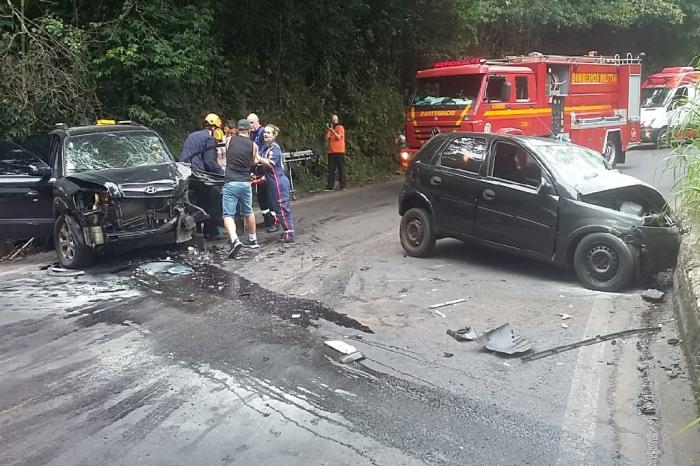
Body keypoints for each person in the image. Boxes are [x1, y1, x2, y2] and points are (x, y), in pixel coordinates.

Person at [222, 119, 262, 257]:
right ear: (249, 131)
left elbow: (228, 155)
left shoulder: (229, 140)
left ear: (238, 129)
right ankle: (253, 239)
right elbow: (253, 161)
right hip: (245, 183)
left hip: (231, 182)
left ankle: (234, 239)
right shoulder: (253, 145)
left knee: (228, 214)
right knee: (248, 211)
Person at [258, 124, 295, 243]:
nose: (265, 134)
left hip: (278, 182)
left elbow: (270, 163)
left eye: (269, 133)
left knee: (282, 208)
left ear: (274, 135)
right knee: (276, 208)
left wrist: (256, 156)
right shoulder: (265, 147)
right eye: (265, 132)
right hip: (272, 182)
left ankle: (289, 233)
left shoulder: (274, 148)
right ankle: (285, 231)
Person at [247, 112, 277, 231]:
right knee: (261, 196)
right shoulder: (251, 135)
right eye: (248, 123)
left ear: (257, 121)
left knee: (268, 195)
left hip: (265, 167)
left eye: (252, 122)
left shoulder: (262, 133)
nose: (250, 125)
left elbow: (263, 151)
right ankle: (267, 220)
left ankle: (274, 221)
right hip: (256, 167)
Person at [325, 114, 346, 191]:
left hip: (339, 151)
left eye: (334, 120)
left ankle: (342, 185)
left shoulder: (340, 127)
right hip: (331, 152)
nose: (333, 122)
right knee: (331, 169)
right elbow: (327, 137)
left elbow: (338, 137)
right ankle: (330, 186)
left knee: (341, 169)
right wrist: (329, 130)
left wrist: (332, 130)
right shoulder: (331, 129)